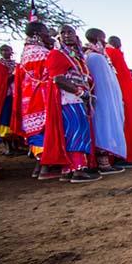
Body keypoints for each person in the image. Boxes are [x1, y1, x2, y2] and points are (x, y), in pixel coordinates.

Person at [40, 25, 99, 183]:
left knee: (78, 130)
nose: (67, 35)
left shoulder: (75, 56)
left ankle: (69, 170)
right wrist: (81, 93)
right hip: (68, 99)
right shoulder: (57, 54)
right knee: (76, 131)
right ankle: (78, 169)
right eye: (63, 33)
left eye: (70, 32)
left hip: (77, 98)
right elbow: (58, 79)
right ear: (58, 37)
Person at [11, 22, 54, 177]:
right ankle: (45, 168)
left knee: (35, 131)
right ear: (36, 34)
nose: (48, 36)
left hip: (27, 100)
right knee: (46, 130)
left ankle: (38, 168)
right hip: (43, 97)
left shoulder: (24, 54)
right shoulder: (43, 53)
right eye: (46, 33)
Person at [84, 28, 126, 174]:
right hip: (104, 101)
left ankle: (105, 162)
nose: (104, 41)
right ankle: (103, 164)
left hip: (107, 101)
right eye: (103, 38)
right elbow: (104, 84)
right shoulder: (95, 58)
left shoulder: (97, 56)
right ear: (97, 39)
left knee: (105, 127)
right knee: (104, 128)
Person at [106, 36, 132, 167]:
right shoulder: (113, 53)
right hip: (121, 96)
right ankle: (124, 156)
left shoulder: (105, 53)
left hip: (117, 96)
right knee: (127, 123)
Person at [0, 44, 21, 155]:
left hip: (16, 96)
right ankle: (8, 147)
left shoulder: (17, 65)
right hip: (5, 97)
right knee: (5, 120)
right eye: (3, 50)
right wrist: (14, 75)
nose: (6, 52)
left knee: (15, 118)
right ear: (0, 52)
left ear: (12, 52)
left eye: (8, 50)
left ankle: (16, 146)